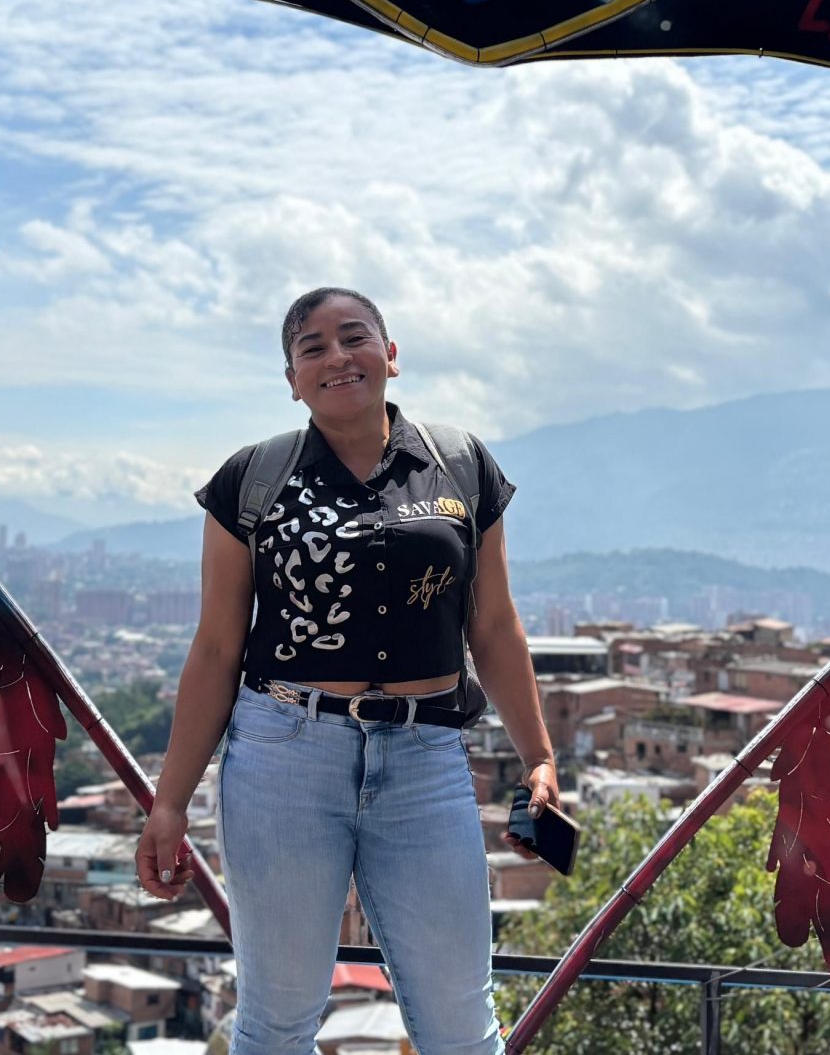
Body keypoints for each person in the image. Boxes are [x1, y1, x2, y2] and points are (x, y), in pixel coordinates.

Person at [134, 286, 562, 1055]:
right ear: (292, 380)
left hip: (426, 757)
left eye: (354, 337)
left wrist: (539, 757)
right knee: (277, 1020)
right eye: (312, 347)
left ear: (391, 356)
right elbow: (217, 648)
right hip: (285, 755)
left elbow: (494, 627)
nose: (336, 356)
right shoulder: (253, 479)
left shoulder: (459, 464)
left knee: (461, 1023)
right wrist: (170, 803)